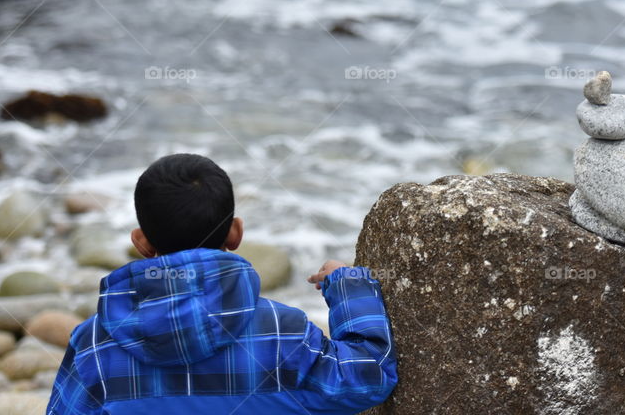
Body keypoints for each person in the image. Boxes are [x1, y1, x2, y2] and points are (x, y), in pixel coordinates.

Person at [47, 153, 397, 414]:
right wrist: (348, 284)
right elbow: (370, 377)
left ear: (142, 242)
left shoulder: (93, 345)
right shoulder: (284, 333)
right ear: (235, 233)